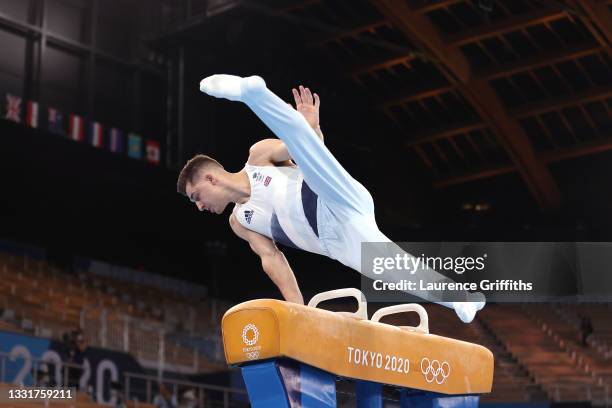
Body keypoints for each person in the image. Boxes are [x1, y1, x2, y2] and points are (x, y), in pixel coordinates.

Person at [177, 74, 484, 323]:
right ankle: (461, 298)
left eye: (196, 196)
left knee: (303, 145)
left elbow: (310, 152)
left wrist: (312, 128)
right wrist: (301, 311)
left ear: (210, 178)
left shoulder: (258, 157)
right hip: (336, 241)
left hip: (332, 198)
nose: (200, 206)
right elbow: (273, 260)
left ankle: (252, 93)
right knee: (396, 270)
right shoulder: (240, 222)